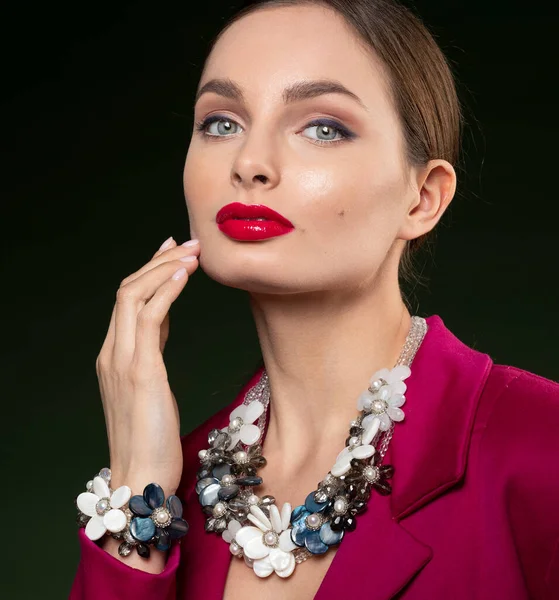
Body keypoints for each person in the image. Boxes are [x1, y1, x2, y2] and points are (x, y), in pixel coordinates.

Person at [69, 1, 559, 598]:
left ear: (423, 197)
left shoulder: (538, 448)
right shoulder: (167, 492)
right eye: (222, 122)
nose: (249, 163)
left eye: (324, 128)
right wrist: (139, 498)